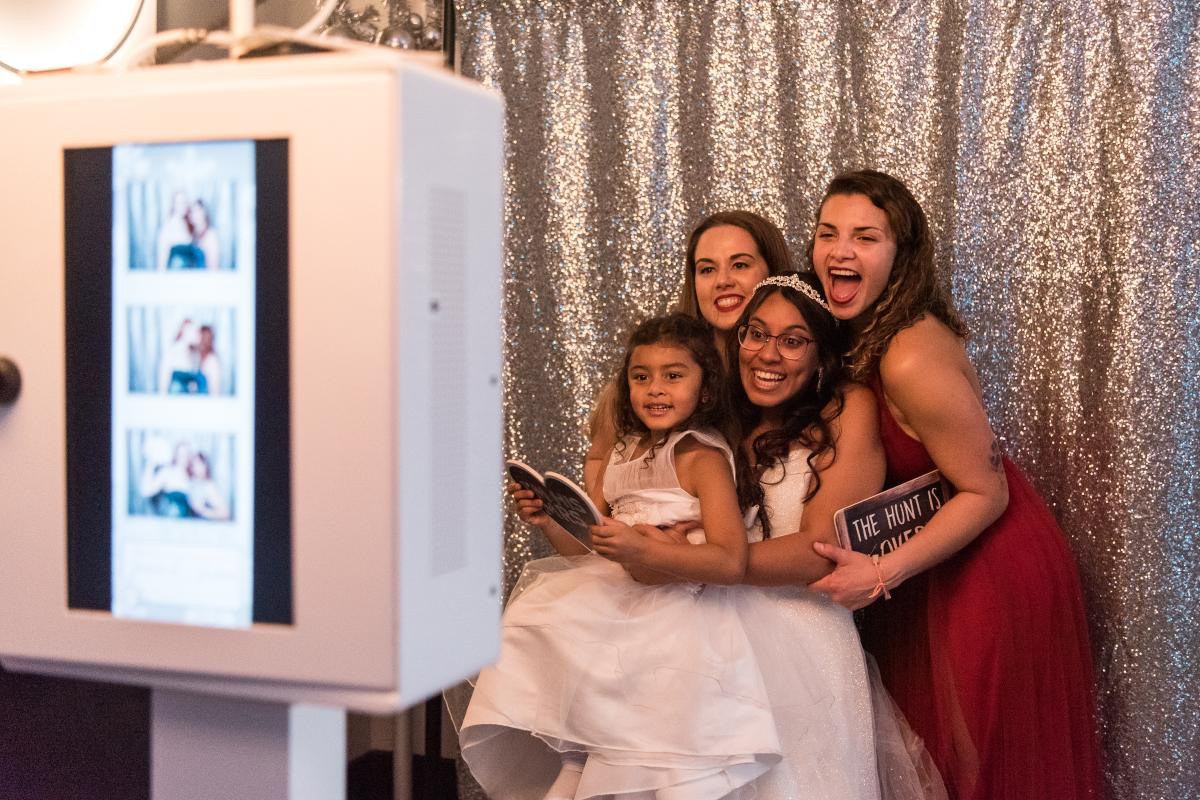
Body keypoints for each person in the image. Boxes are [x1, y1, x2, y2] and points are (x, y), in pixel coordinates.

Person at [805, 170, 1103, 800]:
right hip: (934, 558)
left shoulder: (908, 356)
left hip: (987, 567)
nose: (840, 251)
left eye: (865, 237)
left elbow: (987, 492)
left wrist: (880, 572)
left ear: (901, 256)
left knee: (976, 767)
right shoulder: (865, 331)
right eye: (828, 233)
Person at [610, 273, 946, 800]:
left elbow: (822, 550)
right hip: (715, 638)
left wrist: (698, 559)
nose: (768, 354)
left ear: (821, 356)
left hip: (804, 648)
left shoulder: (847, 409)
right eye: (757, 334)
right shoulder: (721, 415)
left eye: (792, 341)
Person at [462, 314, 789, 800]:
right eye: (641, 377)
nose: (655, 388)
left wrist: (646, 549)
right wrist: (549, 519)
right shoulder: (623, 452)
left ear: (705, 391)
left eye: (673, 376)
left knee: (649, 761)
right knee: (582, 737)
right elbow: (591, 550)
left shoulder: (702, 457)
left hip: (678, 618)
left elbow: (730, 561)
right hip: (612, 602)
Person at [585, 211, 792, 491]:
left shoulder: (797, 374)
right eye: (707, 269)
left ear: (774, 274)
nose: (723, 281)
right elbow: (599, 460)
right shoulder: (658, 371)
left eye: (740, 265)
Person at [187, 452, 230, 521]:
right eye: (193, 464)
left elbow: (225, 514)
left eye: (199, 464)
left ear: (205, 466)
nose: (196, 468)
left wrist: (202, 511)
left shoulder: (208, 486)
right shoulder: (191, 483)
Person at [196, 325, 222, 396]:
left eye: (206, 339)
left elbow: (214, 391)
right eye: (201, 338)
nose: (203, 342)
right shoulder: (197, 358)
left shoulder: (213, 361)